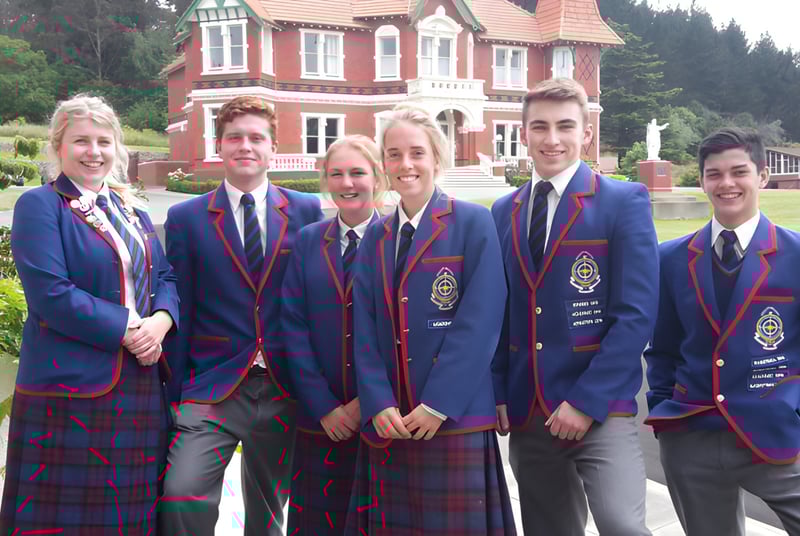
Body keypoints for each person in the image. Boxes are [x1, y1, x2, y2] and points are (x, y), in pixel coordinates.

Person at [0, 94, 179, 535]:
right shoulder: (40, 206)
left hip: (139, 380)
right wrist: (129, 328)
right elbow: (51, 293)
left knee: (129, 514)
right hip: (71, 389)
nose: (94, 152)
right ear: (59, 146)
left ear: (118, 148)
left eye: (104, 141)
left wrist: (160, 322)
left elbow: (167, 277)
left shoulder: (132, 211)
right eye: (81, 141)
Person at [491, 78, 658, 536]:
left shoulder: (623, 201)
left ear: (586, 133)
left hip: (601, 406)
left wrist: (585, 402)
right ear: (523, 133)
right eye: (539, 127)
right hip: (529, 408)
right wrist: (499, 391)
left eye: (566, 126)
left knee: (622, 524)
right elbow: (498, 313)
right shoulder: (502, 211)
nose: (552, 139)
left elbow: (636, 315)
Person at [346, 104, 515, 534]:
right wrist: (377, 401)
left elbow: (480, 321)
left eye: (417, 153)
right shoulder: (375, 236)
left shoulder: (473, 222)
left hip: (453, 417)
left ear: (437, 158)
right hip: (393, 422)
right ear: (383, 163)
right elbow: (363, 330)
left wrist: (438, 403)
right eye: (394, 154)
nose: (406, 165)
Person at [160, 96, 323, 535]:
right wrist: (173, 394)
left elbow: (318, 300)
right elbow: (182, 303)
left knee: (268, 511)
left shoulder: (306, 211)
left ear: (273, 147)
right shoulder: (187, 217)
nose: (245, 146)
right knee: (182, 491)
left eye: (256, 138)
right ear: (220, 145)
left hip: (283, 385)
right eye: (235, 137)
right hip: (213, 385)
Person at [645, 127, 800, 535]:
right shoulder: (671, 259)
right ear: (701, 181)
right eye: (714, 174)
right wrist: (665, 413)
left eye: (739, 171)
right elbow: (661, 349)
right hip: (691, 433)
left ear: (762, 176)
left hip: (777, 431)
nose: (726, 183)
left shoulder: (797, 255)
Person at [281, 135, 387, 534]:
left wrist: (366, 403)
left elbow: (400, 334)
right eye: (337, 174)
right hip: (319, 416)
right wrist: (324, 405)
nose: (348, 183)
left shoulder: (395, 239)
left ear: (377, 177)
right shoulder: (309, 240)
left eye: (358, 172)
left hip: (379, 413)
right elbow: (293, 324)